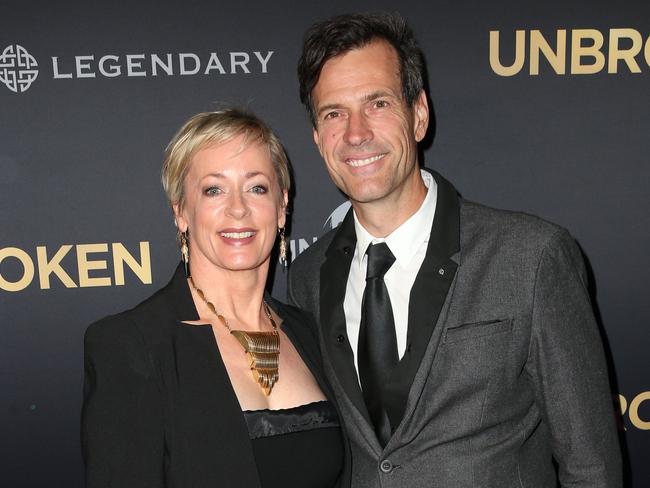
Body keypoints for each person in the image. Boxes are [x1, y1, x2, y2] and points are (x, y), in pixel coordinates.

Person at [288, 12, 622, 488]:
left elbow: (593, 468)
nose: (355, 133)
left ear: (418, 114)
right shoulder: (306, 277)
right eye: (333, 113)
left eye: (377, 103)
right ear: (318, 137)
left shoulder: (531, 257)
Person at [82, 109, 348, 488]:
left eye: (257, 187)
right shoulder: (130, 345)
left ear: (282, 206)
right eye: (213, 189)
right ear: (181, 212)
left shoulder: (310, 331)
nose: (237, 208)